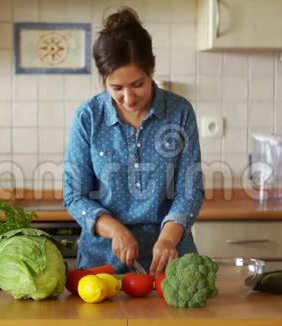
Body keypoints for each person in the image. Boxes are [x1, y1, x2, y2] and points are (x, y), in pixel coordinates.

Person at [63, 7, 204, 277]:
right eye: (116, 88)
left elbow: (190, 191)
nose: (128, 98)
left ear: (152, 68)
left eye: (137, 84)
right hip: (101, 263)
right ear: (104, 80)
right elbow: (75, 196)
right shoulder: (88, 117)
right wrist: (115, 230)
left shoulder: (179, 112)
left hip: (169, 263)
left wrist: (167, 239)